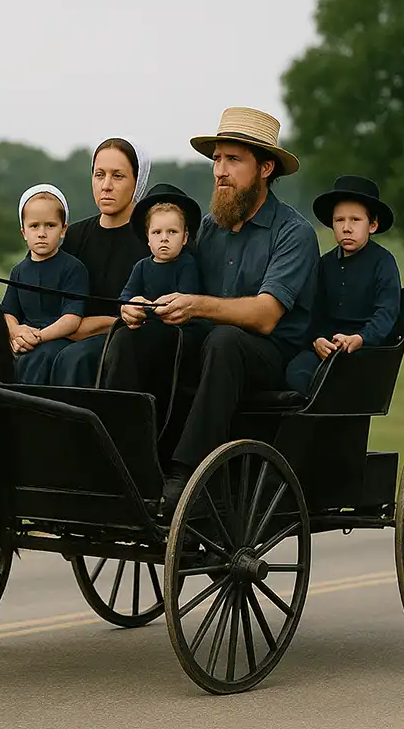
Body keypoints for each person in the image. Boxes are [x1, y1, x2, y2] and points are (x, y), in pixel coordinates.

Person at [99, 106, 320, 515]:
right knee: (135, 336)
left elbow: (266, 316)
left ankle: (186, 475)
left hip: (271, 354)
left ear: (265, 167)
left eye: (233, 160)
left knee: (224, 339)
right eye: (217, 159)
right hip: (209, 344)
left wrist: (198, 305)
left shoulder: (294, 233)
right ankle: (125, 462)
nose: (219, 170)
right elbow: (178, 288)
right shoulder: (210, 228)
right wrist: (137, 308)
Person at [47, 137, 152, 387]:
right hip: (69, 334)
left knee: (77, 358)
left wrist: (98, 325)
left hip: (123, 344)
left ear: (136, 182)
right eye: (99, 175)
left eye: (118, 176)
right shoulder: (74, 236)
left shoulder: (151, 239)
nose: (106, 185)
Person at [285, 175, 402, 394]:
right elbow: (314, 312)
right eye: (340, 220)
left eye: (355, 220)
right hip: (328, 349)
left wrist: (361, 338)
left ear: (373, 225)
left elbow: (387, 312)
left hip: (365, 351)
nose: (346, 228)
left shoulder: (383, 263)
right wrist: (317, 340)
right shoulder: (324, 264)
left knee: (337, 380)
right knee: (296, 371)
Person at [1, 184, 91, 385]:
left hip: (57, 340)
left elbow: (72, 318)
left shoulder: (73, 268)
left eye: (50, 225)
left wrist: (39, 337)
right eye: (34, 226)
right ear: (24, 231)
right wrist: (16, 332)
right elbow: (8, 312)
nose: (42, 233)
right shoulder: (19, 271)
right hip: (25, 340)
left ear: (63, 230)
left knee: (40, 358)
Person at [119, 182, 203, 308]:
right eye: (157, 232)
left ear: (185, 237)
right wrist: (130, 305)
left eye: (172, 232)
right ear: (148, 237)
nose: (164, 239)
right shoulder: (141, 266)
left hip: (178, 323)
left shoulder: (187, 264)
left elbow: (187, 299)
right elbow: (125, 296)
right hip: (145, 321)